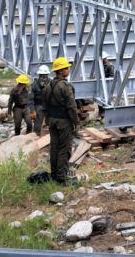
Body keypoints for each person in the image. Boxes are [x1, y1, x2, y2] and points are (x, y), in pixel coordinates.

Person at [44, 56, 80, 185]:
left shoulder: (49, 85)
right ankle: (62, 177)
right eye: (66, 68)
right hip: (64, 121)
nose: (68, 70)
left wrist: (47, 120)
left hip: (52, 120)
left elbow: (45, 105)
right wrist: (76, 122)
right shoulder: (65, 86)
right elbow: (71, 106)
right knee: (65, 148)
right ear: (60, 71)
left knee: (54, 147)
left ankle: (54, 174)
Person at [31, 66, 51, 136]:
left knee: (51, 123)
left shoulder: (51, 83)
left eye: (45, 76)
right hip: (38, 106)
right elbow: (31, 99)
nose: (43, 78)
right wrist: (32, 110)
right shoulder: (34, 84)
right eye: (41, 76)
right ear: (39, 75)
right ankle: (36, 136)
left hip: (49, 106)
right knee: (37, 124)